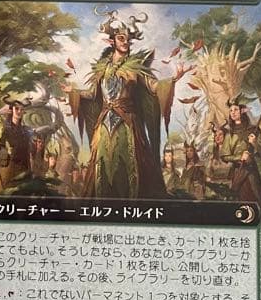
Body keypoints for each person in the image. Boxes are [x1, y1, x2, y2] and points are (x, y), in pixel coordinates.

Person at [68, 12, 190, 198]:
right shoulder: (103, 69)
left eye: (128, 39)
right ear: (111, 42)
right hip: (104, 124)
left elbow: (153, 86)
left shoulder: (135, 67)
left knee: (129, 162)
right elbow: (92, 94)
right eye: (121, 38)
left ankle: (130, 202)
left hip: (127, 123)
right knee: (102, 162)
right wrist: (73, 91)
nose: (125, 42)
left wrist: (173, 79)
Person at [218, 96, 261, 211]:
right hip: (238, 171)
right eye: (231, 111)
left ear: (242, 111)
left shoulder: (253, 130)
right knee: (238, 200)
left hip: (251, 171)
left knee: (257, 199)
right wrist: (239, 157)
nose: (233, 113)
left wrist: (255, 144)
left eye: (236, 110)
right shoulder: (230, 133)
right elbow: (224, 156)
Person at [0, 96, 33, 196]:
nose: (19, 111)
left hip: (23, 170)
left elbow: (27, 152)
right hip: (8, 168)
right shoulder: (5, 129)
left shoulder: (25, 131)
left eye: (21, 109)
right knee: (0, 196)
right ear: (12, 110)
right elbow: (0, 147)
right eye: (17, 109)